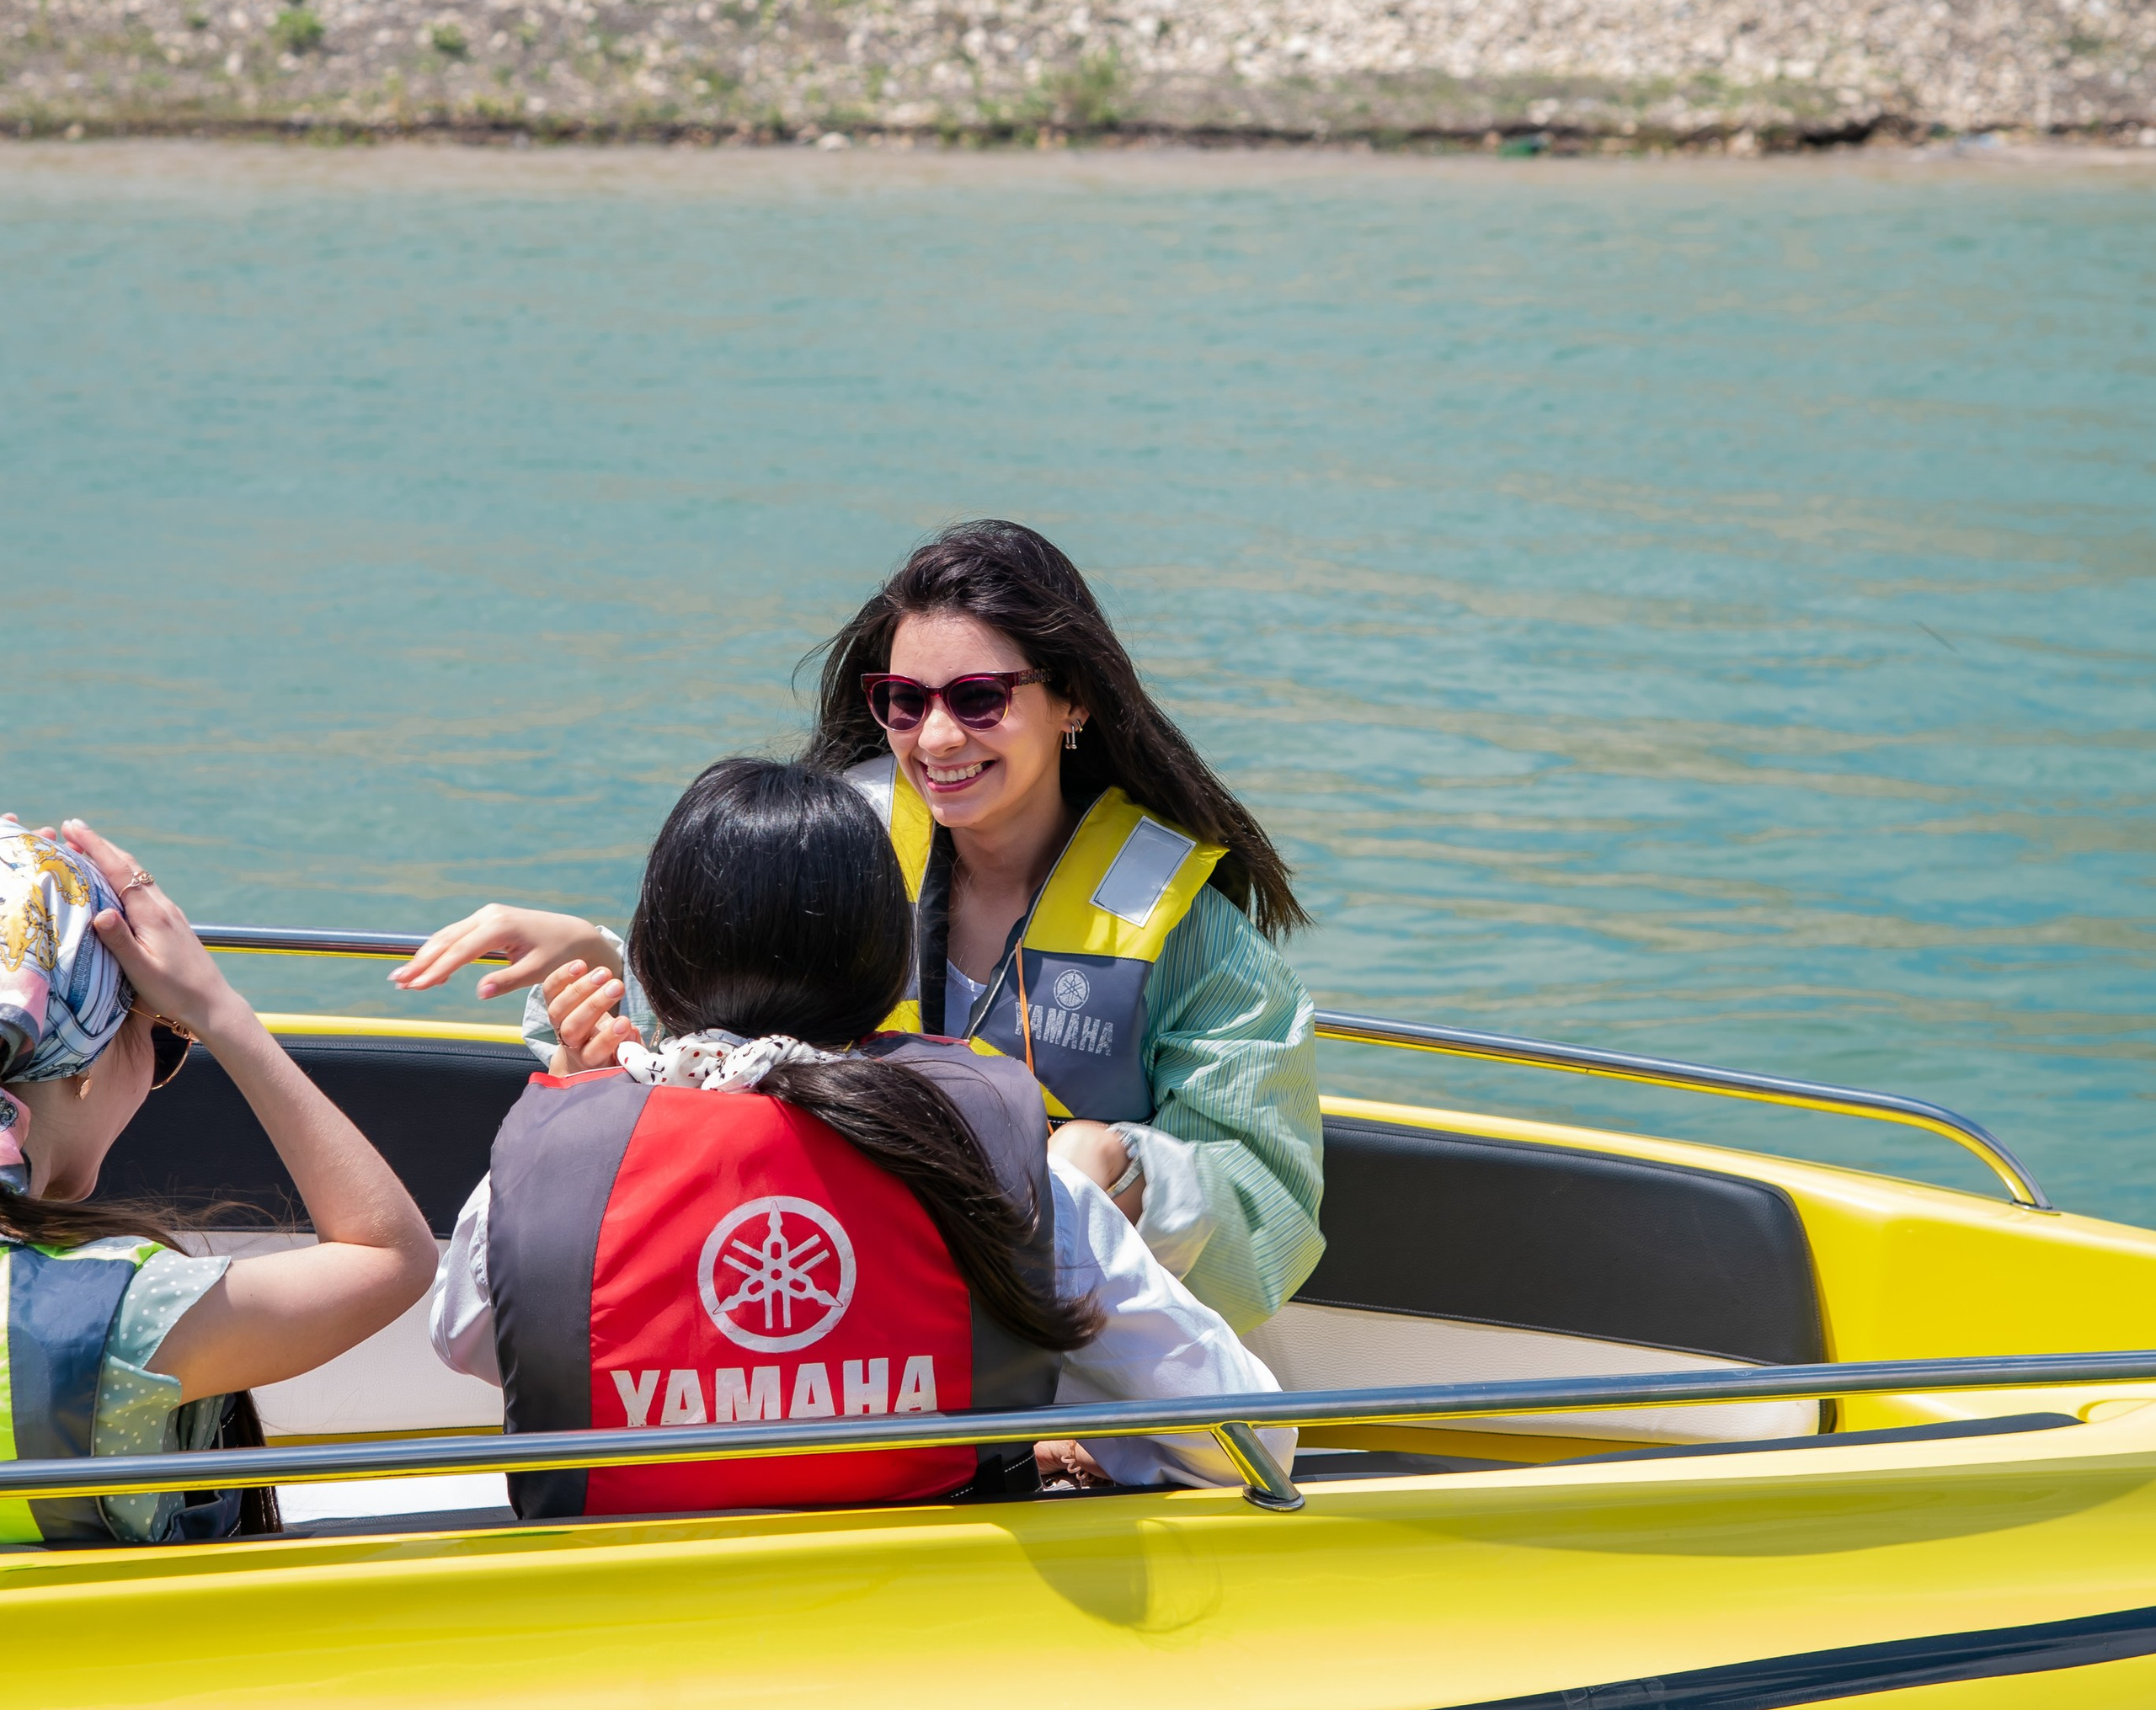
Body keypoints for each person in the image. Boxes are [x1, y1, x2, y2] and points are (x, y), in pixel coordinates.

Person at [397, 522, 1322, 1335]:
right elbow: (712, 1031)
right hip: (844, 1313)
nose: (937, 738)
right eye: (905, 701)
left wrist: (1127, 1171)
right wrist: (598, 957)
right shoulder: (838, 847)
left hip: (1066, 1342)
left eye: (980, 698)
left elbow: (1269, 1207)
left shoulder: (1185, 931)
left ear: (1072, 699)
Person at [429, 758, 1291, 1512]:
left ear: (652, 961)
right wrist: (1095, 1435)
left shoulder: (548, 1174)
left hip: (623, 1618)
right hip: (933, 1615)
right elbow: (1249, 1434)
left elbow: (473, 1340)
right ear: (887, 971)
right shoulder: (1004, 1172)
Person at [0, 818, 439, 1546]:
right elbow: (393, 1254)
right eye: (164, 1035)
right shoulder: (117, 1313)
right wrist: (217, 1008)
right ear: (79, 1065)